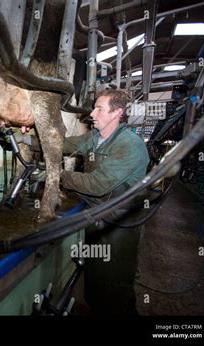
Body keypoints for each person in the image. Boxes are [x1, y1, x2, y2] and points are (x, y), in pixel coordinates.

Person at [61, 89, 149, 316]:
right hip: (97, 217)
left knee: (113, 285)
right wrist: (26, 137)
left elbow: (96, 184)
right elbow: (63, 144)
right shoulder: (95, 138)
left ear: (117, 113)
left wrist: (56, 176)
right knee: (96, 281)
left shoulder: (131, 145)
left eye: (99, 108)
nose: (92, 113)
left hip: (120, 225)